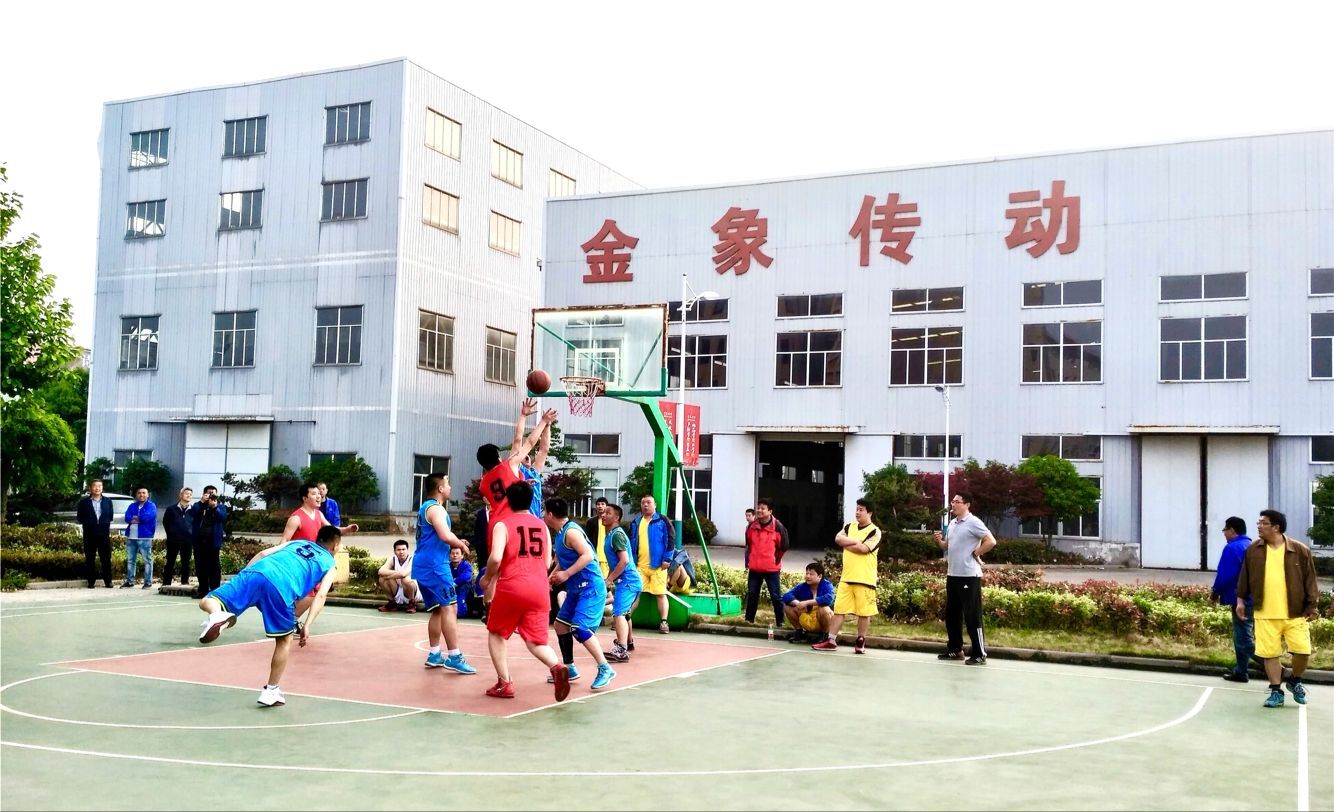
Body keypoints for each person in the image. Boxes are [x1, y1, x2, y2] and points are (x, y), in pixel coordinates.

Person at [196, 525, 343, 707]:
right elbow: (321, 595)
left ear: (317, 538)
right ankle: (271, 691)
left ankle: (216, 614)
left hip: (257, 572)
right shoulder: (330, 564)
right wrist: (307, 624)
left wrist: (244, 576)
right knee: (284, 640)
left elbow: (263, 553)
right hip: (281, 587)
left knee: (208, 600)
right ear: (336, 546)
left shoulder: (297, 543)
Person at [478, 480, 571, 701]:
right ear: (531, 501)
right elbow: (547, 561)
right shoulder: (543, 527)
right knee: (536, 641)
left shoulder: (502, 525)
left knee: (496, 632)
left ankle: (504, 683)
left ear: (508, 501)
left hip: (512, 586)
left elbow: (496, 558)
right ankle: (557, 666)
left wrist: (487, 578)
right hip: (539, 588)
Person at [1236, 509, 1320, 708]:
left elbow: (1310, 580)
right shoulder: (1253, 550)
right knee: (1270, 654)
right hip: (1264, 612)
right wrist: (1240, 600)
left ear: (1276, 527)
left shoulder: (1300, 550)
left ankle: (1295, 680)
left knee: (1303, 651)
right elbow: (1244, 577)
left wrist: (1312, 605)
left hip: (1295, 612)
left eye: (1263, 523)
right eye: (1258, 523)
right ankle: (1276, 691)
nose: (1259, 526)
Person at [545, 498, 615, 691]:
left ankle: (605, 668)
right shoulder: (560, 533)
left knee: (579, 628)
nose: (543, 515)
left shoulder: (571, 532)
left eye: (544, 512)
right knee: (561, 625)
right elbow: (564, 559)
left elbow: (588, 555)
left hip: (590, 587)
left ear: (550, 514)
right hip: (576, 589)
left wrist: (566, 574)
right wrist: (551, 576)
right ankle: (570, 668)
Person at [414, 472, 476, 675]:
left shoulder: (425, 508)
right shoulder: (436, 509)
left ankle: (434, 654)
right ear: (440, 488)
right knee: (450, 607)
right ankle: (455, 656)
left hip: (423, 564)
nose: (450, 487)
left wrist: (457, 540)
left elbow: (440, 535)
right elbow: (444, 535)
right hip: (435, 566)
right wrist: (461, 545)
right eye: (447, 484)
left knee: (439, 610)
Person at [933, 492, 996, 665]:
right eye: (952, 501)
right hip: (953, 574)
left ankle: (979, 653)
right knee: (952, 615)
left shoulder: (974, 522)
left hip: (969, 576)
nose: (953, 504)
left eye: (957, 502)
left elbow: (991, 541)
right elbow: (947, 546)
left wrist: (977, 552)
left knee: (972, 616)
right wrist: (939, 541)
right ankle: (955, 649)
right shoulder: (953, 523)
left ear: (967, 504)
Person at [813, 500, 882, 653]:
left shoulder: (875, 531)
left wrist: (847, 544)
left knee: (864, 613)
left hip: (865, 579)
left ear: (869, 513)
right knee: (839, 610)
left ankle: (860, 641)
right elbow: (838, 539)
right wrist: (855, 542)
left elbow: (863, 549)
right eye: (856, 509)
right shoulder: (849, 527)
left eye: (861, 510)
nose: (857, 512)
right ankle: (831, 640)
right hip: (846, 578)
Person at [477, 401, 557, 528]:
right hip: (518, 521)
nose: (525, 458)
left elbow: (505, 489)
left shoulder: (483, 484)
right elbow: (526, 442)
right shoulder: (510, 466)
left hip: (499, 523)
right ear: (499, 458)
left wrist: (522, 483)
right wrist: (542, 421)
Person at [1211, 516, 1255, 683]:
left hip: (1240, 599)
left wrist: (1215, 592)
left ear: (1232, 530)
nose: (1224, 534)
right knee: (1243, 635)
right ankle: (1241, 671)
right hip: (1255, 597)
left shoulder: (1232, 548)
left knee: (1243, 638)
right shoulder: (1252, 546)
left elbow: (1225, 575)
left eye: (1225, 530)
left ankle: (1273, 667)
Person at [629, 495, 676, 635]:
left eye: (648, 502)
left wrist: (667, 559)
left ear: (654, 505)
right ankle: (625, 619)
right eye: (643, 503)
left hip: (659, 566)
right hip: (640, 566)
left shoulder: (663, 520)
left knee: (660, 594)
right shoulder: (636, 522)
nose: (645, 505)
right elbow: (631, 542)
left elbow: (670, 540)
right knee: (634, 593)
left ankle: (664, 622)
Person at [601, 504, 640, 662]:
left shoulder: (616, 535)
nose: (603, 515)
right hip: (627, 581)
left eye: (608, 513)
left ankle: (621, 650)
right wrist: (608, 578)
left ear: (616, 518)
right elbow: (616, 562)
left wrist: (609, 579)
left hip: (628, 582)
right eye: (603, 512)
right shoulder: (610, 535)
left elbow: (624, 560)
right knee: (624, 614)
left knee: (618, 614)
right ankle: (628, 643)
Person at [743, 498, 789, 627]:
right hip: (754, 568)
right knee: (752, 594)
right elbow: (749, 545)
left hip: (772, 569)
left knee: (775, 596)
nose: (759, 510)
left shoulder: (778, 527)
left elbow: (784, 546)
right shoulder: (751, 527)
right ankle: (748, 621)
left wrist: (775, 560)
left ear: (770, 511)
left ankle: (780, 622)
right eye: (758, 508)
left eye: (763, 508)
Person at [512, 399, 552, 517]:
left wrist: (547, 425)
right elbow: (517, 440)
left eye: (528, 457)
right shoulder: (516, 469)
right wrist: (523, 416)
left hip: (535, 519)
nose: (527, 458)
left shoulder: (534, 472)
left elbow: (544, 450)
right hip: (519, 518)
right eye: (524, 456)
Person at [783, 561, 835, 644]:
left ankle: (825, 635)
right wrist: (798, 603)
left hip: (824, 620)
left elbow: (829, 599)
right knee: (787, 607)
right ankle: (800, 632)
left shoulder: (827, 585)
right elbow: (786, 596)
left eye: (811, 574)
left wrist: (807, 603)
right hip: (807, 617)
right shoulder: (803, 586)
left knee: (824, 609)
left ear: (820, 576)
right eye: (807, 573)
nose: (807, 576)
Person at [190, 486, 228, 598]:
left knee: (214, 567)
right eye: (209, 494)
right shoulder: (199, 505)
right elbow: (192, 513)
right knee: (200, 566)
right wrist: (202, 502)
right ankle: (202, 590)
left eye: (213, 494)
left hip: (213, 541)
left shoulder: (220, 507)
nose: (211, 496)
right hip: (199, 541)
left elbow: (223, 518)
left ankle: (215, 592)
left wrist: (214, 507)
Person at [76, 479, 114, 588]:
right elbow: (79, 517)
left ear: (102, 488)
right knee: (90, 558)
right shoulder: (84, 502)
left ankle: (108, 581)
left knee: (106, 558)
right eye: (95, 486)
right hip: (89, 534)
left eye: (99, 486)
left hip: (103, 534)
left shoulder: (108, 501)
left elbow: (110, 516)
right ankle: (91, 581)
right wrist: (90, 523)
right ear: (90, 488)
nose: (97, 488)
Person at [121, 487, 157, 588]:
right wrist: (137, 518)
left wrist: (136, 517)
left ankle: (148, 582)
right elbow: (127, 518)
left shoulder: (151, 506)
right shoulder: (132, 505)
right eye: (139, 493)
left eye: (144, 493)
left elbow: (147, 517)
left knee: (147, 560)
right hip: (131, 537)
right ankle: (130, 581)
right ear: (136, 495)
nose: (141, 495)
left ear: (148, 495)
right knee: (130, 560)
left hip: (145, 537)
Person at [161, 487, 194, 587]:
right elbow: (165, 522)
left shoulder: (193, 510)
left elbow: (196, 524)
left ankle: (184, 582)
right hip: (173, 540)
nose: (188, 495)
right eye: (186, 493)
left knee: (186, 563)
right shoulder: (171, 509)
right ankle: (166, 583)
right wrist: (171, 534)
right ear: (181, 495)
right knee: (170, 562)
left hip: (187, 541)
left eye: (190, 494)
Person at [376, 539, 418, 613]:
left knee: (405, 579)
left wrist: (389, 576)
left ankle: (412, 603)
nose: (401, 552)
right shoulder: (393, 559)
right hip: (398, 589)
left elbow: (403, 574)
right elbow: (380, 571)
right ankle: (392, 603)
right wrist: (397, 573)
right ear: (394, 551)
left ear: (407, 550)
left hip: (412, 591)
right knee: (382, 578)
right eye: (398, 550)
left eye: (403, 549)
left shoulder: (412, 559)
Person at [584, 497, 611, 578]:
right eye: (598, 504)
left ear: (607, 506)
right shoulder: (591, 522)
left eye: (603, 504)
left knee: (606, 580)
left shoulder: (610, 521)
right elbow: (586, 539)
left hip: (606, 557)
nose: (600, 506)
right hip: (593, 555)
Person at [450, 547, 474, 618]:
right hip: (450, 589)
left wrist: (455, 581)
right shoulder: (447, 566)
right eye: (453, 553)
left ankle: (462, 611)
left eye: (457, 553)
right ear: (450, 555)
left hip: (464, 589)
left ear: (462, 556)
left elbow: (466, 577)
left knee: (458, 613)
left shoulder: (467, 565)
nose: (455, 555)